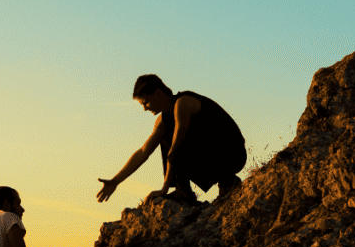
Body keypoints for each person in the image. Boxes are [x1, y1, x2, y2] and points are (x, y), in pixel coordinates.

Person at [97, 74, 246, 204]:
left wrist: (165, 188)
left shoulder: (183, 103)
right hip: (213, 157)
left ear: (157, 93)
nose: (145, 109)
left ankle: (222, 183)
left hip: (232, 155)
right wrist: (115, 181)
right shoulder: (163, 121)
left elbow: (175, 150)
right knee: (164, 134)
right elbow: (143, 152)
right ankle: (187, 192)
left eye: (145, 103)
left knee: (171, 140)